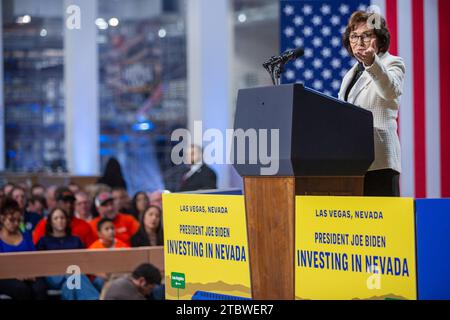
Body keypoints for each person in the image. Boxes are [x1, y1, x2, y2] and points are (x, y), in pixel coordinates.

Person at [339, 11, 405, 196]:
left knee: (382, 222)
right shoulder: (350, 74)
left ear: (380, 39)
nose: (359, 41)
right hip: (352, 160)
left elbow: (390, 90)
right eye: (354, 36)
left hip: (380, 161)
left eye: (366, 35)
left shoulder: (393, 63)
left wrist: (372, 63)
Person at [36, 207, 101, 300]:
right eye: (56, 218)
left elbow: (84, 260)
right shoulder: (44, 241)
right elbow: (39, 263)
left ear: (67, 220)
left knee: (70, 285)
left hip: (74, 274)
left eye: (62, 218)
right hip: (53, 276)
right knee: (76, 275)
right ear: (50, 222)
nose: (60, 221)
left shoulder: (76, 239)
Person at [0, 198, 47, 300]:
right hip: (5, 276)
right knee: (21, 289)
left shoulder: (25, 235)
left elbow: (33, 257)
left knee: (40, 287)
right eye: (12, 220)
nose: (16, 224)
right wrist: (15, 275)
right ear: (2, 219)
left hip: (28, 273)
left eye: (18, 220)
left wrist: (30, 272)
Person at [33, 187, 97, 247]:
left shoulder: (84, 225)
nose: (69, 205)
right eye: (65, 202)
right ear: (57, 203)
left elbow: (91, 251)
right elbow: (36, 251)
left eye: (71, 202)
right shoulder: (44, 225)